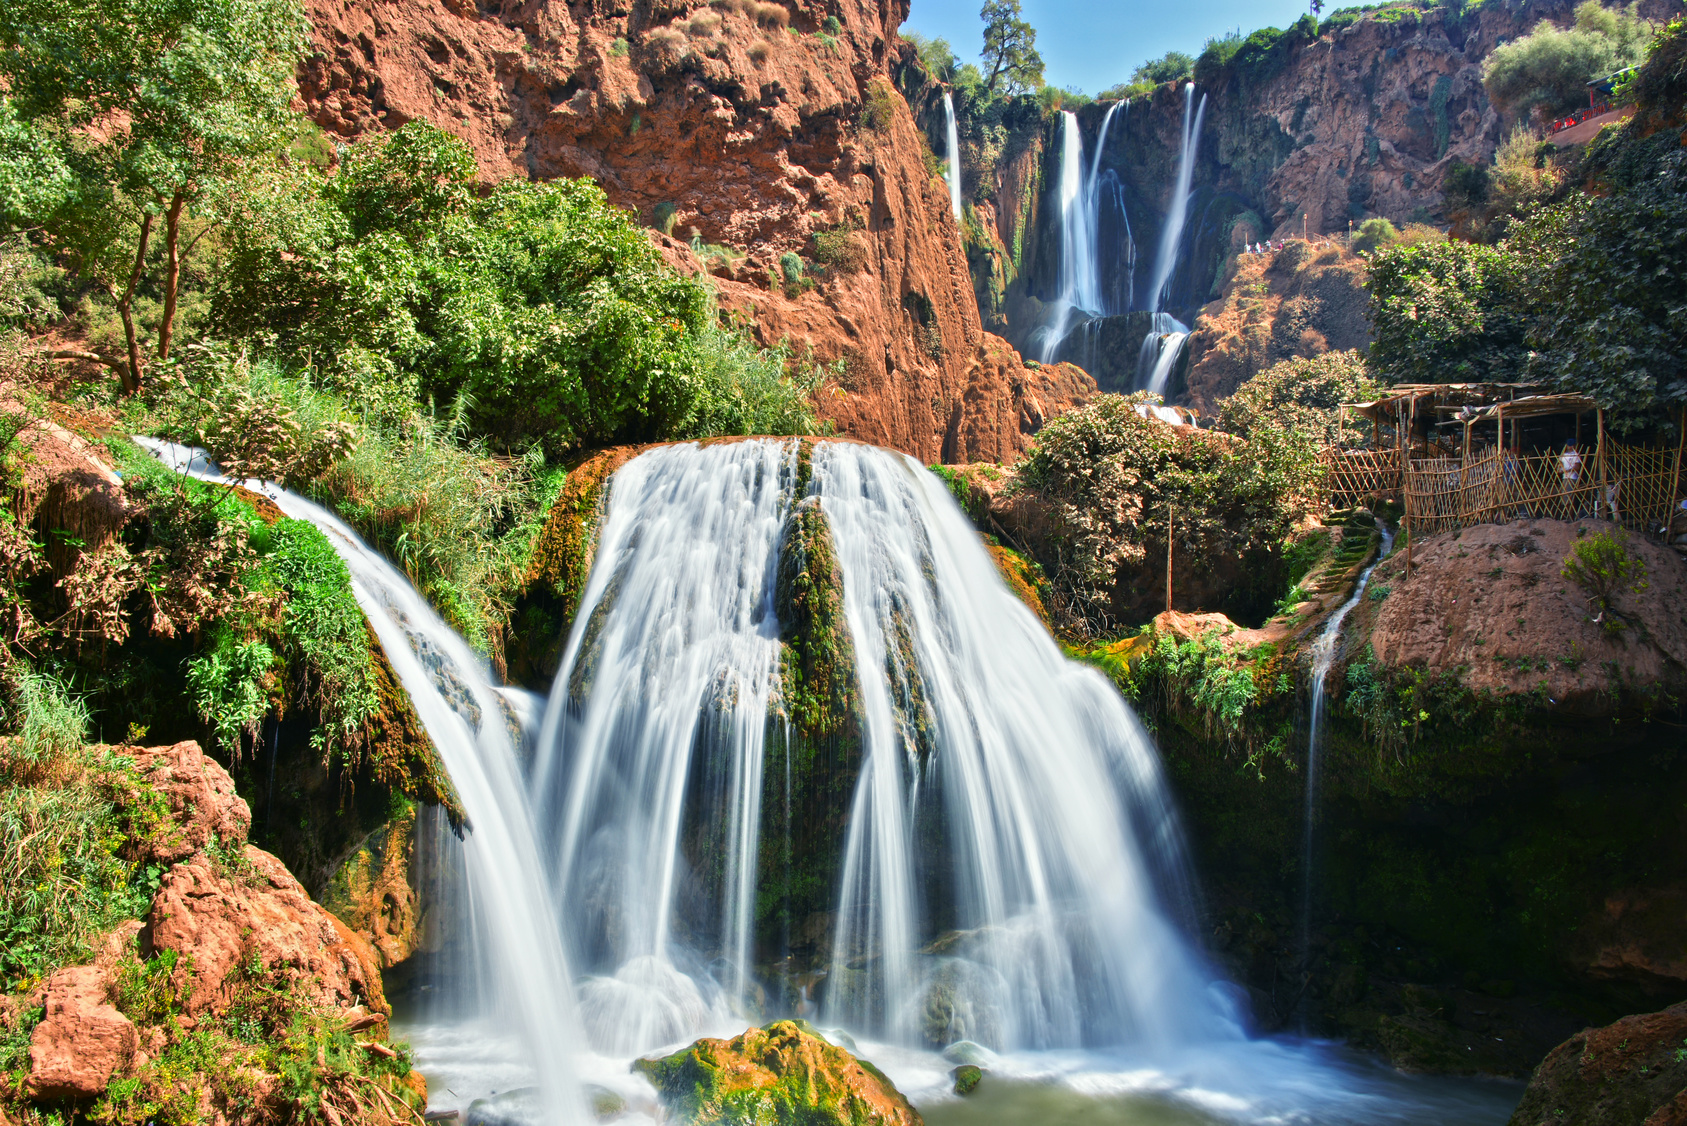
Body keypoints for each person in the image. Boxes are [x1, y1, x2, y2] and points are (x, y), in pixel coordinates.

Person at [1559, 441, 1582, 518]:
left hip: (1572, 478)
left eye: (1571, 445)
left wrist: (1568, 470)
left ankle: (1571, 516)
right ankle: (1566, 516)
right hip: (1565, 478)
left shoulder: (1576, 455)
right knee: (1564, 498)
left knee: (1570, 498)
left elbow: (1577, 467)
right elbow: (1559, 466)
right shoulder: (1563, 455)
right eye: (1569, 445)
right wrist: (1561, 470)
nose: (1570, 447)